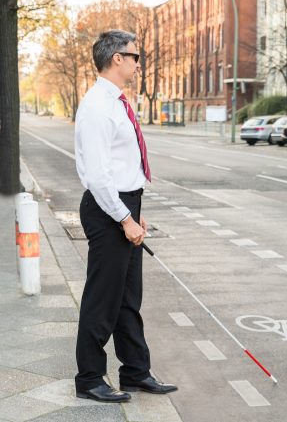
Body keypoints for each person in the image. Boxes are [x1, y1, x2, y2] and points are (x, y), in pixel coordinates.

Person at [73, 30, 177, 403]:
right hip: (107, 210)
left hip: (125, 205)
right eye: (134, 56)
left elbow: (121, 167)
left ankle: (135, 371)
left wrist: (135, 213)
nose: (138, 62)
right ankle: (89, 378)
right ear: (117, 58)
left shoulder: (117, 102)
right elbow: (99, 178)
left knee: (128, 297)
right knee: (102, 299)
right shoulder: (98, 106)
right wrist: (123, 218)